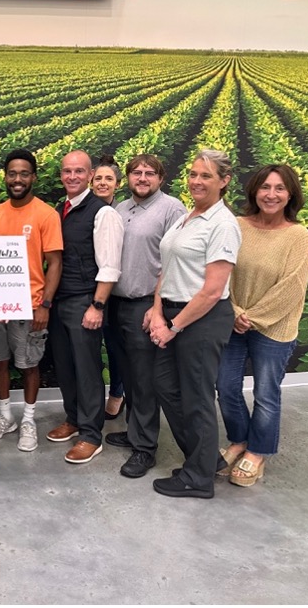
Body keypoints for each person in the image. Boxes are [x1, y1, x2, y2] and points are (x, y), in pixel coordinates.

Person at [148, 149, 241, 499]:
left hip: (202, 319)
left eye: (205, 176)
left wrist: (173, 327)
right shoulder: (187, 216)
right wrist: (158, 312)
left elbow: (213, 290)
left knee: (197, 398)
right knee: (166, 387)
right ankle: (205, 459)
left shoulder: (223, 225)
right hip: (173, 312)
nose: (196, 181)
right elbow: (166, 269)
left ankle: (198, 478)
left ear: (224, 181)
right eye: (193, 174)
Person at [215, 165, 308, 487]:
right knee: (225, 387)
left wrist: (251, 317)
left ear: (290, 194)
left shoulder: (298, 236)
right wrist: (235, 312)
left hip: (274, 329)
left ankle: (257, 452)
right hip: (234, 322)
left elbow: (292, 286)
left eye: (279, 188)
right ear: (254, 191)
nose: (271, 194)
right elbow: (221, 271)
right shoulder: (238, 226)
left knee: (266, 394)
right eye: (265, 187)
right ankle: (239, 440)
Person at [103, 154, 187, 478]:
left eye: (149, 173)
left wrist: (157, 307)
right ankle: (134, 430)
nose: (142, 177)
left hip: (145, 306)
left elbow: (174, 263)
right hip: (117, 304)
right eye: (136, 172)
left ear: (161, 178)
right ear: (127, 178)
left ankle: (145, 448)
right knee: (128, 374)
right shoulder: (121, 210)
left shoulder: (172, 210)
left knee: (145, 378)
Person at [0, 149, 62, 452]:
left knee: (29, 364)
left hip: (29, 305)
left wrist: (45, 304)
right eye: (12, 173)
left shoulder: (45, 214)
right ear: (5, 176)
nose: (17, 179)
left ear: (33, 177)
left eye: (24, 173)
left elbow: (54, 263)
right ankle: (5, 417)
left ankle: (28, 419)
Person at [46, 150, 123, 464]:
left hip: (84, 302)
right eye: (67, 171)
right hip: (60, 301)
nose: (72, 177)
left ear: (91, 174)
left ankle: (92, 435)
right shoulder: (60, 208)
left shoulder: (103, 213)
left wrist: (97, 305)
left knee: (88, 369)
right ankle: (74, 418)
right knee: (65, 366)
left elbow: (110, 266)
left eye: (79, 171)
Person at [91, 154, 126, 420]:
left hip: (117, 293)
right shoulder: (81, 208)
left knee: (115, 347)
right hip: (87, 290)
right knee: (92, 347)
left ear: (118, 184)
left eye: (109, 179)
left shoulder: (122, 213)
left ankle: (117, 392)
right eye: (99, 178)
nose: (103, 183)